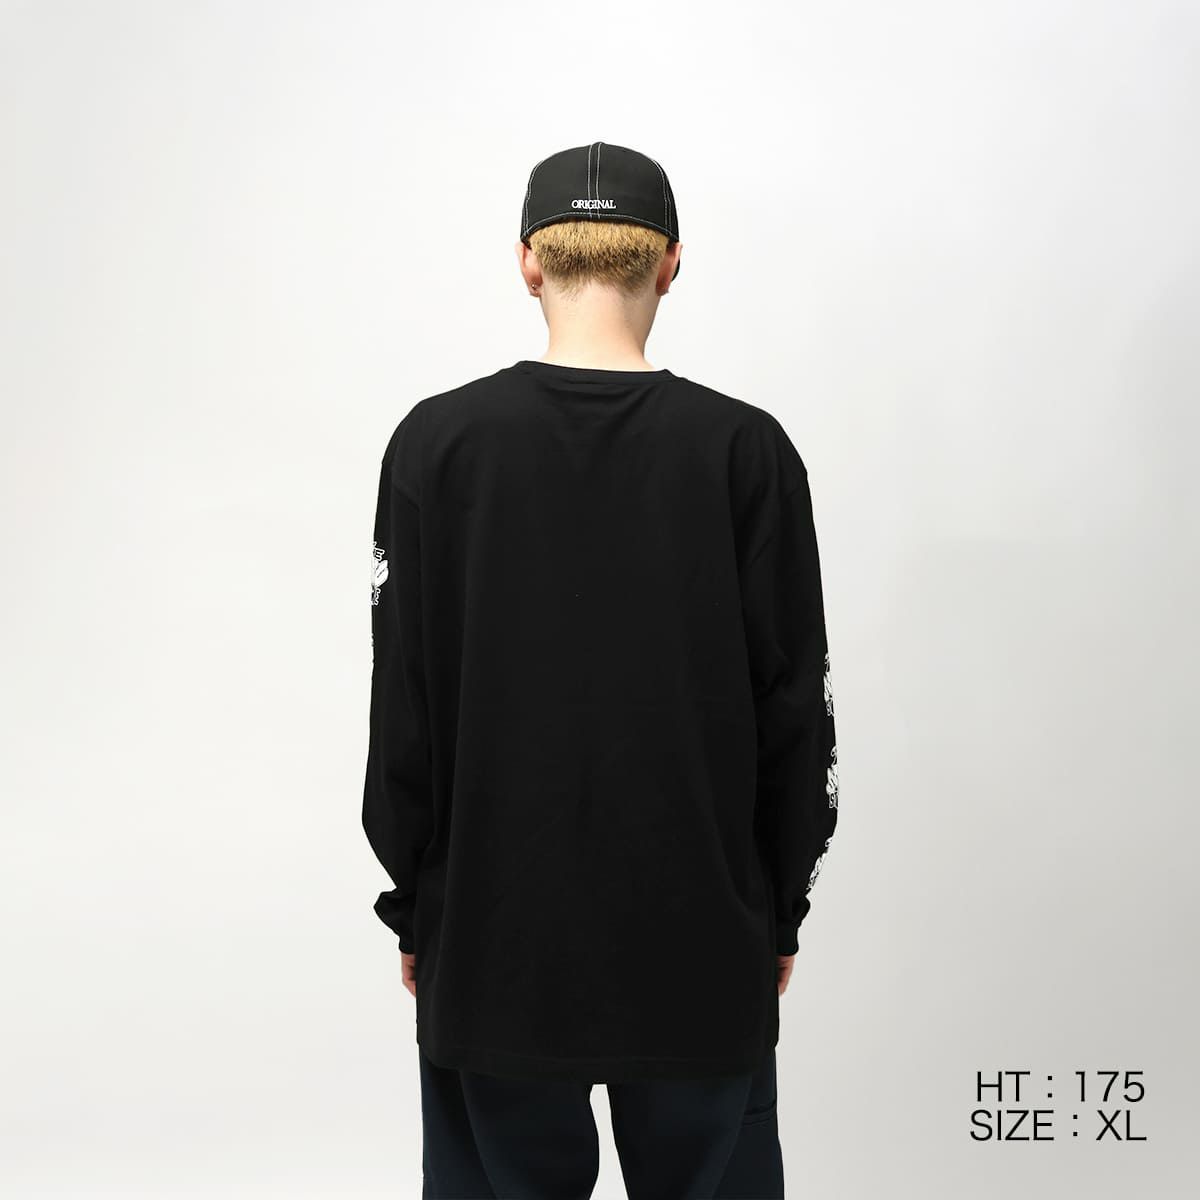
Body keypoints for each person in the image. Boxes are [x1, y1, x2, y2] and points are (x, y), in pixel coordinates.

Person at [363, 141, 840, 1198]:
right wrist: (778, 909)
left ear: (528, 262)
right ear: (669, 264)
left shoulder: (435, 446)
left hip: (491, 936)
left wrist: (417, 903)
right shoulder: (745, 452)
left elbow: (404, 706)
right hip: (700, 936)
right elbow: (795, 709)